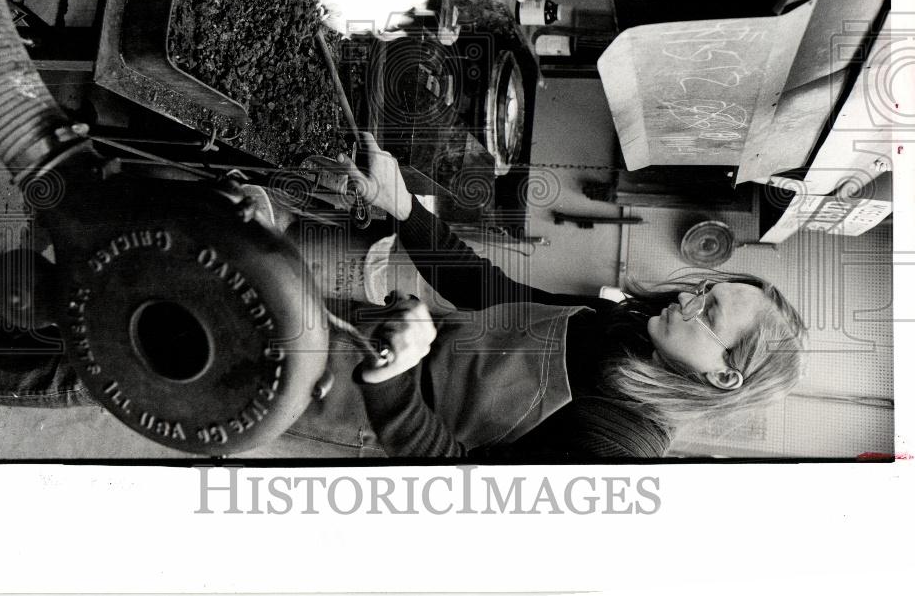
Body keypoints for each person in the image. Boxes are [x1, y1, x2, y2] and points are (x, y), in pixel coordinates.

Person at [336, 132, 808, 460]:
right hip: (355, 335)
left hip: (351, 418)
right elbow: (487, 293)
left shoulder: (619, 445)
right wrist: (404, 206)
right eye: (705, 288)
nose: (689, 299)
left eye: (709, 310)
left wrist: (392, 379)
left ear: (726, 376)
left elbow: (458, 489)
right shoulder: (616, 325)